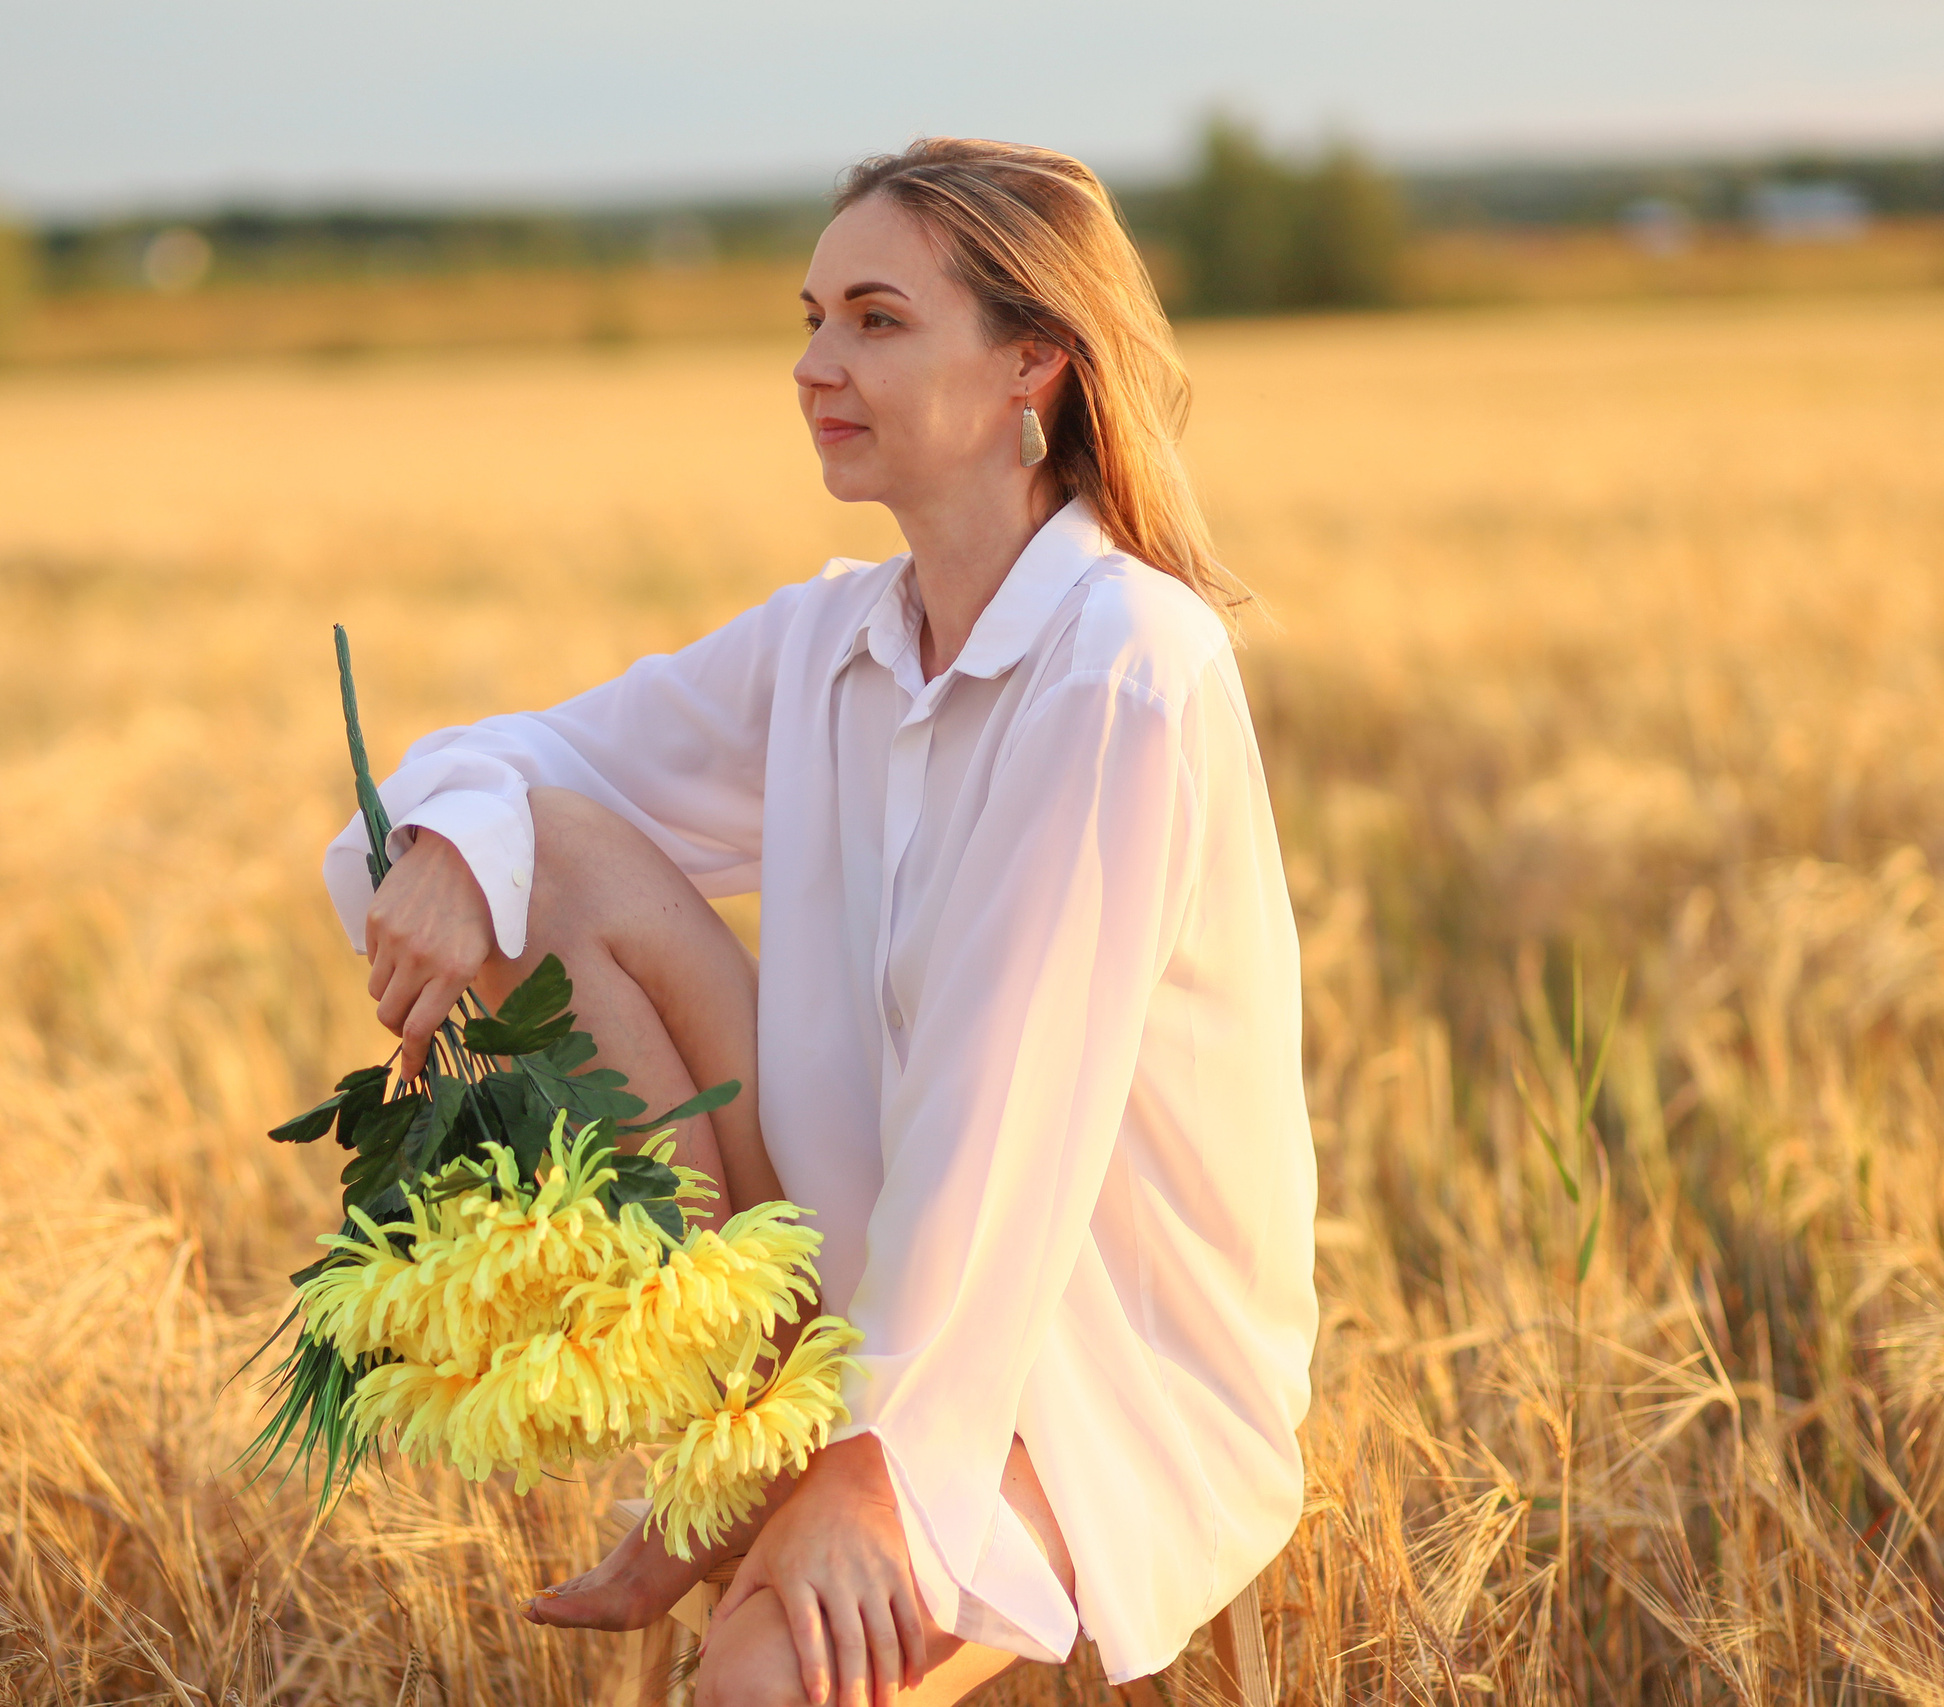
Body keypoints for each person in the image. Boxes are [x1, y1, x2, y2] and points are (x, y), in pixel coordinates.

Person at [322, 138, 1317, 1707]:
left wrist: (876, 1467)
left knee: (755, 1687)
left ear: (1031, 366)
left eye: (873, 320)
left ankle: (784, 1475)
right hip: (859, 1296)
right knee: (545, 851)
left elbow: (1009, 1126)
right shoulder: (833, 642)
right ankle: (738, 1416)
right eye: (809, 316)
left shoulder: (1124, 663)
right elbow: (516, 773)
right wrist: (453, 838)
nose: (811, 363)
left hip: (1084, 1360)